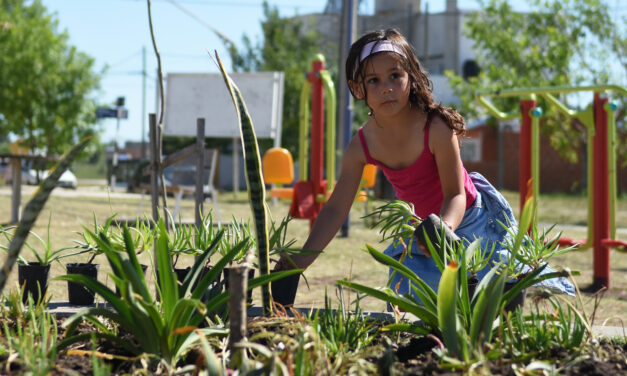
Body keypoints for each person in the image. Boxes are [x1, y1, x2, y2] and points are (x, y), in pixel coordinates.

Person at [273, 28, 573, 303]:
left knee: (496, 297)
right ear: (357, 89)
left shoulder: (436, 128)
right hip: (426, 232)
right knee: (426, 307)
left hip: (467, 220)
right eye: (373, 80)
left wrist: (443, 229)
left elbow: (455, 194)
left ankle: (509, 299)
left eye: (395, 76)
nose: (387, 87)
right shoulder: (361, 146)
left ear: (412, 77)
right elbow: (337, 208)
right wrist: (301, 260)